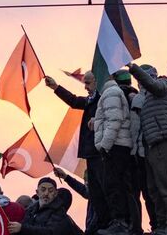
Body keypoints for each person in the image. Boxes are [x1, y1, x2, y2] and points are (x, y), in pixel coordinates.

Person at [131, 62, 167, 235]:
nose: (141, 83)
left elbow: (152, 84)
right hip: (152, 143)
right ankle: (162, 224)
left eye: (142, 78)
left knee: (165, 186)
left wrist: (133, 68)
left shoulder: (165, 84)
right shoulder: (147, 95)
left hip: (164, 140)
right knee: (154, 188)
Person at [46, 74, 105, 234]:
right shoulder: (90, 100)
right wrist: (56, 87)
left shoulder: (104, 100)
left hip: (100, 152)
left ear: (98, 81)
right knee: (95, 191)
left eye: (87, 83)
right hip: (91, 153)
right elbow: (73, 101)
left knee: (103, 190)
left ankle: (105, 223)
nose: (85, 87)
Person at [94, 67, 141, 235]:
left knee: (114, 186)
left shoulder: (111, 93)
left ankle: (121, 223)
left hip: (115, 147)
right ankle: (129, 225)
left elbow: (114, 120)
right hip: (120, 146)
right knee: (123, 186)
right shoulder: (112, 92)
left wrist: (104, 146)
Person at [15, 177, 86, 235]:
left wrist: (22, 228)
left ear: (55, 194)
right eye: (43, 190)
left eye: (50, 191)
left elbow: (50, 232)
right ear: (37, 192)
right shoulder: (30, 210)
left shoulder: (60, 214)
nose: (46, 193)